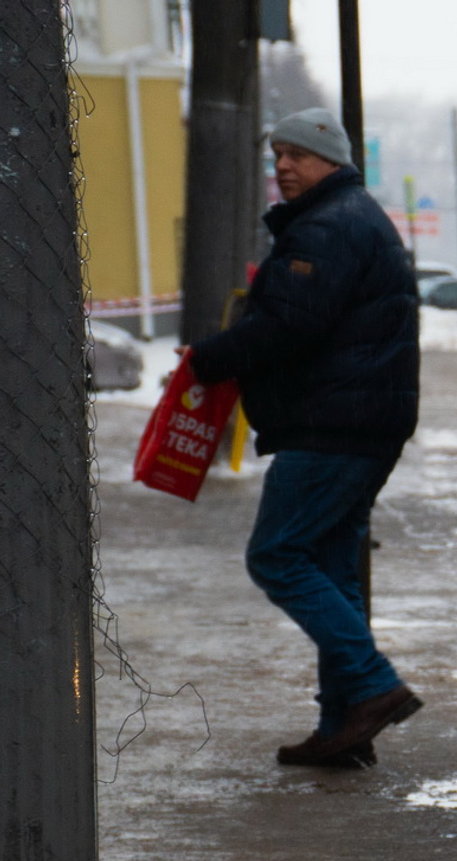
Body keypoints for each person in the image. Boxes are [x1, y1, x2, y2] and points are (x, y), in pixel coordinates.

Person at [188, 107, 423, 770]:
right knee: (328, 568)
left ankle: (373, 687)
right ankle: (343, 726)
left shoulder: (331, 226)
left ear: (332, 159)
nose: (284, 167)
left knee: (278, 557)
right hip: (355, 419)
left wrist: (209, 358)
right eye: (277, 156)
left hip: (335, 425)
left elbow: (290, 326)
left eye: (298, 155)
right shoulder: (341, 219)